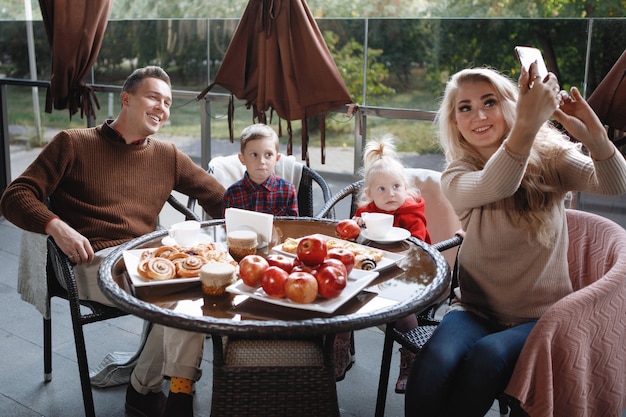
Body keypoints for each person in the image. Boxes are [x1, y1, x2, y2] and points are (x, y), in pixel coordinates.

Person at [0, 66, 225, 417]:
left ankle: (167, 390)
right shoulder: (73, 143)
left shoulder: (167, 155)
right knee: (178, 294)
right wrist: (56, 226)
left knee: (193, 291)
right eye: (153, 97)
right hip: (93, 261)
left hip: (150, 260)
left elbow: (220, 199)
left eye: (166, 103)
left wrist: (265, 207)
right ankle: (150, 391)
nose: (161, 108)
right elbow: (15, 195)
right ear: (126, 99)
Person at [404, 63, 626, 417]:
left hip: (541, 320)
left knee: (486, 357)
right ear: (456, 122)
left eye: (489, 102)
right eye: (465, 107)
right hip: (476, 310)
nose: (478, 114)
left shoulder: (553, 157)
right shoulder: (457, 174)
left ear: (511, 105)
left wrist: (595, 135)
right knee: (432, 364)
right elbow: (499, 183)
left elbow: (616, 184)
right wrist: (527, 124)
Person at [335, 135, 432, 390]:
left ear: (406, 187)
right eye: (382, 189)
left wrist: (407, 240)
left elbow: (420, 247)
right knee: (346, 297)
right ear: (369, 194)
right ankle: (341, 347)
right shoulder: (367, 213)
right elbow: (354, 243)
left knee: (404, 310)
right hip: (371, 272)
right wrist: (355, 227)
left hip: (405, 274)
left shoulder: (411, 214)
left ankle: (410, 358)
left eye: (396, 187)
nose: (391, 194)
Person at [222, 123, 298, 216]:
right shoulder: (232, 194)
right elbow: (226, 228)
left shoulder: (288, 190)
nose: (261, 161)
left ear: (277, 159)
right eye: (254, 155)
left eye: (268, 155)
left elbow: (294, 227)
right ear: (242, 159)